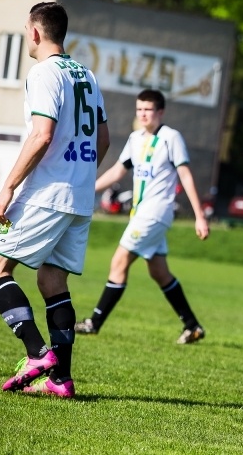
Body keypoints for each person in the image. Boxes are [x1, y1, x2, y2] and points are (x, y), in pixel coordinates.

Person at [0, 2, 110, 399]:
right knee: (52, 279)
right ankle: (61, 379)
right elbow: (102, 140)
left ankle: (37, 354)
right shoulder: (87, 75)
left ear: (36, 32)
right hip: (79, 197)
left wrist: (8, 187)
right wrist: (79, 175)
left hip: (47, 193)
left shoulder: (44, 73)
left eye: (25, 29)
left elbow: (41, 134)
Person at [74, 89, 209, 344]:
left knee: (119, 261)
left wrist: (199, 216)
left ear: (160, 112)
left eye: (148, 109)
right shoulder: (136, 138)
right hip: (141, 214)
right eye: (139, 109)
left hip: (155, 214)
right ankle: (193, 326)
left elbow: (186, 175)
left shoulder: (171, 138)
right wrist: (87, 189)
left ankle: (94, 322)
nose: (143, 114)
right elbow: (118, 171)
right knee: (159, 272)